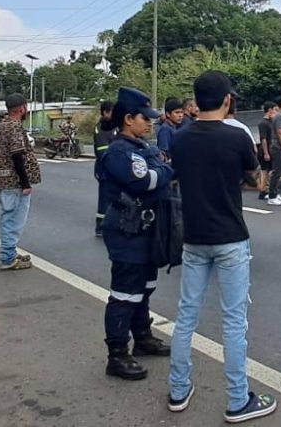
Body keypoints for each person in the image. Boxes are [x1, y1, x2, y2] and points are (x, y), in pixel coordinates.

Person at [168, 71, 277, 423]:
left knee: (185, 316)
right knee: (233, 321)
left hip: (194, 238)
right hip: (230, 237)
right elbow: (255, 180)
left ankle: (178, 390)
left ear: (196, 101)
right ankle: (237, 400)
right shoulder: (236, 137)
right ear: (227, 100)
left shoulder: (180, 138)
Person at [97, 87, 175, 380]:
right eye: (146, 118)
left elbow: (160, 172)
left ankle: (142, 337)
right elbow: (147, 180)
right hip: (127, 232)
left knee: (145, 287)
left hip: (147, 230)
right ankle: (117, 355)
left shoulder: (141, 147)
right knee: (125, 293)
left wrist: (163, 171)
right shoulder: (119, 151)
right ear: (129, 119)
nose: (150, 123)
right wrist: (166, 171)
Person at [0, 93, 40, 271]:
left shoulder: (2, 126)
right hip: (14, 182)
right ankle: (8, 258)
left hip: (5, 179)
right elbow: (17, 155)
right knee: (13, 220)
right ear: (22, 108)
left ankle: (10, 252)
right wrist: (25, 183)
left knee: (9, 218)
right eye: (26, 107)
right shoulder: (14, 127)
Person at [93, 100, 117, 237]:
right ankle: (100, 227)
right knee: (105, 199)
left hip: (112, 168)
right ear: (105, 112)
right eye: (112, 112)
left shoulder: (113, 126)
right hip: (104, 169)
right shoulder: (101, 128)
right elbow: (103, 152)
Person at [256, 102, 277, 200]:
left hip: (270, 149)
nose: (276, 112)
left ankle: (266, 189)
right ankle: (263, 191)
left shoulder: (271, 122)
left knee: (269, 171)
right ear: (270, 110)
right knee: (265, 171)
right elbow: (263, 139)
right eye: (274, 109)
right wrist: (266, 153)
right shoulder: (263, 123)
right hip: (265, 150)